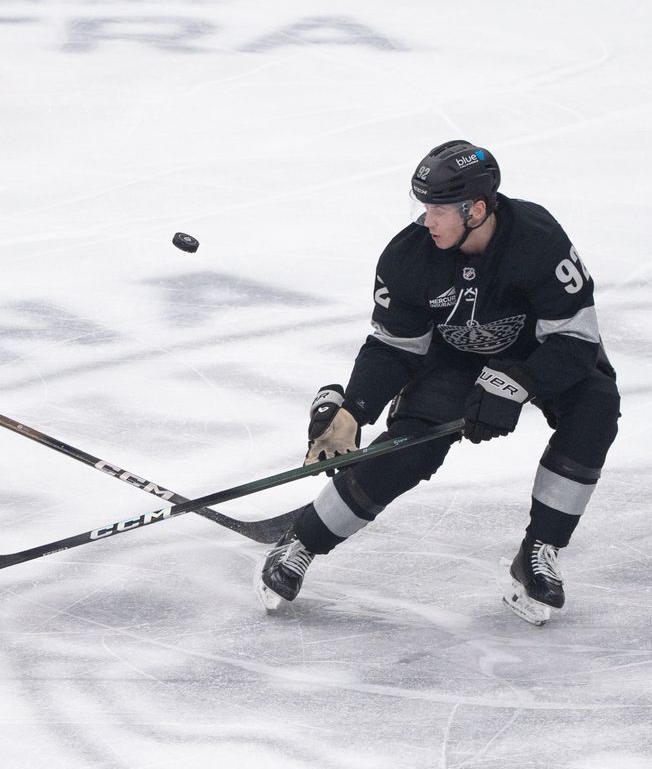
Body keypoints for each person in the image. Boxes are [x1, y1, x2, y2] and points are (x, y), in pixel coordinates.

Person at [258, 140, 621, 625]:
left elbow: (577, 338)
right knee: (408, 451)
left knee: (595, 407)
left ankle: (540, 551)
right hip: (453, 363)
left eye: (437, 210)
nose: (426, 220)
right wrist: (354, 410)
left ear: (476, 209)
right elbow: (393, 347)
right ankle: (302, 540)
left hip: (540, 355)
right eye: (422, 207)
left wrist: (520, 383)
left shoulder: (537, 239)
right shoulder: (409, 257)